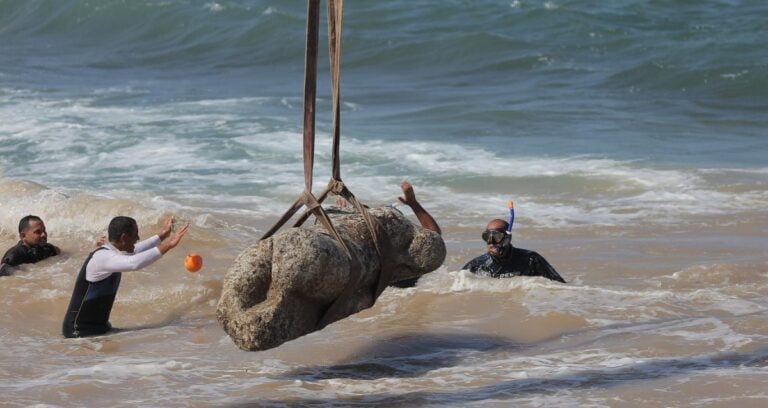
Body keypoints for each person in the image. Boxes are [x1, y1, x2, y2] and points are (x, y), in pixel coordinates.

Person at [62, 215, 189, 338]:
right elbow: (134, 263)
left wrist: (163, 235)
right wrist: (169, 245)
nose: (138, 238)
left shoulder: (114, 252)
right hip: (78, 333)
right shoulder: (102, 258)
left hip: (99, 329)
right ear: (124, 238)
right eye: (135, 235)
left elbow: (137, 250)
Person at [463, 218, 565, 283]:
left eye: (497, 236)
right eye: (487, 237)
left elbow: (558, 286)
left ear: (508, 238)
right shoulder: (477, 265)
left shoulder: (531, 259)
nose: (491, 242)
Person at [389, 180, 442, 288]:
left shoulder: (375, 254)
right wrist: (413, 203)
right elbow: (434, 236)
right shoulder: (410, 258)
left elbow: (433, 237)